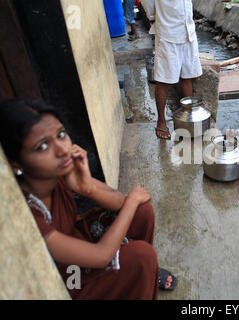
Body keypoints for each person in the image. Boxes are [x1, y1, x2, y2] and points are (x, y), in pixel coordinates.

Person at [0, 99, 177, 299]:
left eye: (61, 135)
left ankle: (141, 275)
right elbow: (101, 256)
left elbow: (120, 201)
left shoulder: (55, 176)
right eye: (42, 147)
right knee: (142, 255)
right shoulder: (26, 211)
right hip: (70, 278)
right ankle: (138, 271)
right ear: (16, 164)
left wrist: (87, 187)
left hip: (78, 239)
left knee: (140, 211)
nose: (62, 150)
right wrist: (132, 201)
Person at [141, 0, 203, 139]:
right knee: (163, 80)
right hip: (168, 34)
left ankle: (188, 117)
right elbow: (148, 4)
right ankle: (161, 122)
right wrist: (156, 17)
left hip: (188, 32)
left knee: (187, 77)